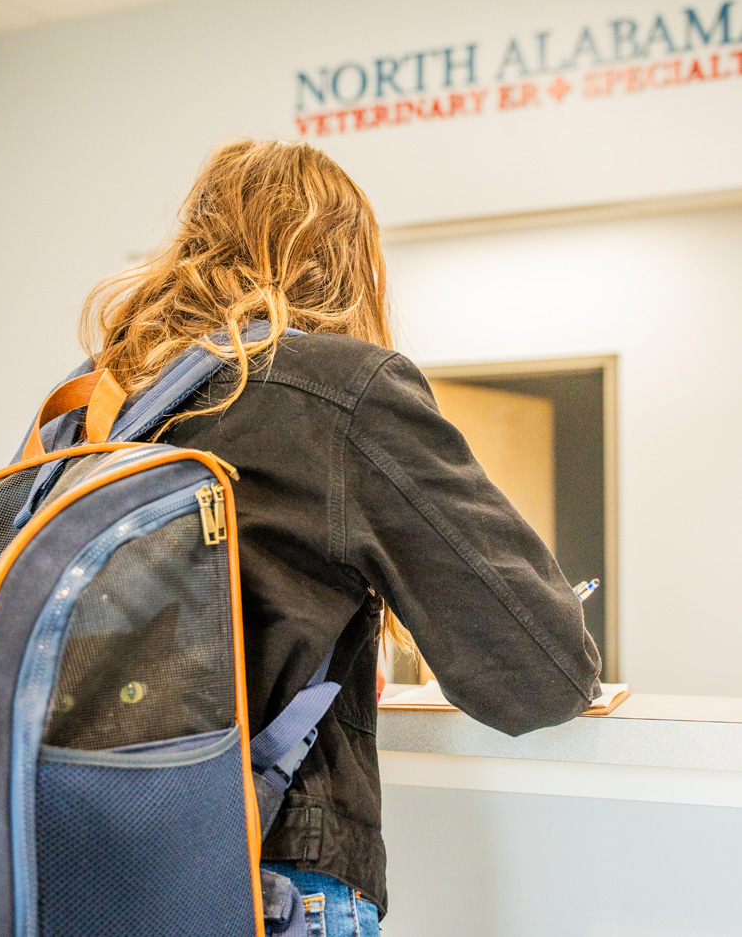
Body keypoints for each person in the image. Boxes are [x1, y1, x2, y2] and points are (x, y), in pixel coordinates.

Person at [77, 138, 602, 936]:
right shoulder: (343, 393)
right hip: (274, 875)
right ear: (349, 265)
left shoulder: (97, 408)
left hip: (87, 867)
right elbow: (542, 674)